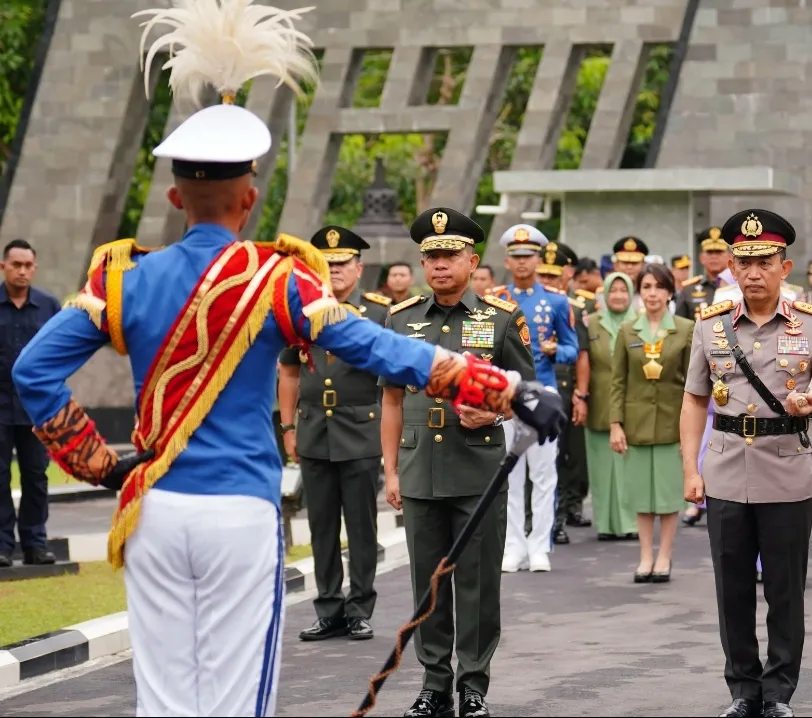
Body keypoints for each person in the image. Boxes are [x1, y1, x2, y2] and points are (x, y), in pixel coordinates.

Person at [9, 6, 563, 714]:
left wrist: (95, 462)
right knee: (241, 701)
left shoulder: (122, 279)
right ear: (250, 198)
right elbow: (379, 348)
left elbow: (32, 372)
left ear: (176, 198)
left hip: (152, 510)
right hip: (238, 511)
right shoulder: (279, 281)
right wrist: (507, 386)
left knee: (166, 701)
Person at [681, 209, 812, 718]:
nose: (753, 273)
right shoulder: (710, 326)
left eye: (765, 262)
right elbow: (693, 399)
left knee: (784, 590)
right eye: (744, 262)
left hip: (787, 469)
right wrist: (692, 469)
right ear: (731, 265)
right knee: (732, 590)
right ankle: (742, 691)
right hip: (727, 469)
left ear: (784, 266)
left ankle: (777, 693)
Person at [380, 208, 535, 718]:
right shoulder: (401, 320)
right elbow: (392, 401)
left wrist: (493, 408)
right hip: (420, 468)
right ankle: (433, 684)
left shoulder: (502, 318)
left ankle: (473, 685)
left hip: (478, 472)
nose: (440, 265)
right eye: (431, 256)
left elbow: (530, 396)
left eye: (450, 255)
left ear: (472, 260)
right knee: (428, 584)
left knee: (476, 583)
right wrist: (390, 469)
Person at [277, 226, 391, 642]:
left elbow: (392, 379)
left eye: (342, 263)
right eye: (327, 264)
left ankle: (360, 608)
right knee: (321, 526)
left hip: (361, 433)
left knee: (361, 527)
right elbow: (289, 372)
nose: (335, 271)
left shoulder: (379, 313)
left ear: (358, 269)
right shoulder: (300, 311)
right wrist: (288, 427)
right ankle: (328, 608)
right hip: (313, 431)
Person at [498, 224, 577, 573]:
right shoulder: (496, 299)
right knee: (509, 473)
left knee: (544, 473)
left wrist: (556, 349)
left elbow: (574, 348)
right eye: (516, 257)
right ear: (507, 260)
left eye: (528, 256)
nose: (522, 263)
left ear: (538, 258)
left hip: (543, 392)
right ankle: (514, 545)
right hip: (505, 393)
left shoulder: (557, 301)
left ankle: (540, 544)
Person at [610, 264, 693, 582]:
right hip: (637, 423)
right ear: (639, 292)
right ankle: (645, 556)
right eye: (646, 287)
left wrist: (691, 428)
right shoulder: (628, 330)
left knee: (669, 495)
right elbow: (618, 381)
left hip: (673, 424)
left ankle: (665, 557)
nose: (653, 293)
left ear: (670, 292)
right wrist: (616, 424)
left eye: (659, 287)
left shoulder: (686, 329)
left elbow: (693, 385)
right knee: (642, 496)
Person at [0, 239, 61, 568]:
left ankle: (35, 544)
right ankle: (1, 546)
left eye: (27, 266)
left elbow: (62, 353)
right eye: (16, 265)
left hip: (37, 410)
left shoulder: (50, 307)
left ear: (34, 269)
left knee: (36, 476)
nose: (22, 271)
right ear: (3, 267)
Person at [535, 241, 592, 544]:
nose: (546, 281)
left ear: (564, 276)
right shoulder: (522, 304)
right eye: (541, 275)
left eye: (552, 276)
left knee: (563, 456)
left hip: (564, 388)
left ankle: (557, 519)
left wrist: (580, 395)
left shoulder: (571, 306)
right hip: (532, 388)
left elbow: (582, 354)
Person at [583, 272, 638, 540]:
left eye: (623, 290)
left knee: (630, 466)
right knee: (602, 467)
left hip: (632, 401)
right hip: (598, 400)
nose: (618, 295)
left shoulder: (640, 323)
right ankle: (605, 523)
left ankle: (631, 523)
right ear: (604, 294)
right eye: (612, 290)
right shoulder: (590, 323)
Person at [675, 226, 732, 321]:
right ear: (701, 257)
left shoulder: (739, 287)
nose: (714, 256)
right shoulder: (688, 289)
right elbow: (680, 326)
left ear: (730, 256)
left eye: (719, 252)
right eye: (709, 252)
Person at [612, 236, 648, 309]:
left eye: (635, 263)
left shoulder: (650, 293)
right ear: (615, 265)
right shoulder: (603, 294)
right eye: (625, 262)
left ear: (644, 265)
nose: (629, 267)